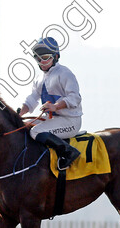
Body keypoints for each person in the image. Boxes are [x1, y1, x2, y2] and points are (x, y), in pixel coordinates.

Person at [18, 37, 82, 170]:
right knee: (23, 127)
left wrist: (56, 106)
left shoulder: (64, 73)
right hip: (52, 119)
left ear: (56, 56)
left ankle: (69, 152)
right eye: (38, 59)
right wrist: (19, 113)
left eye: (45, 57)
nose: (42, 62)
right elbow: (32, 99)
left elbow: (75, 97)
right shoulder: (39, 79)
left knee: (35, 132)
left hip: (70, 120)